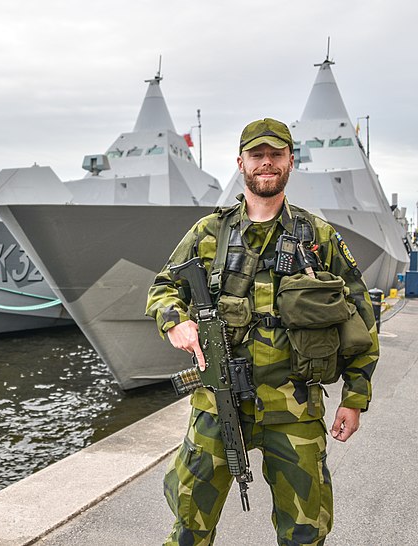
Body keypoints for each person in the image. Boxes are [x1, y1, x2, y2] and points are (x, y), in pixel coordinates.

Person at [146, 118, 378, 546]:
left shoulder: (317, 236)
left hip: (294, 406)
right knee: (189, 525)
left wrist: (355, 397)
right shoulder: (209, 233)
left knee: (305, 531)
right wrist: (176, 322)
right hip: (217, 403)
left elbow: (361, 316)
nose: (266, 163)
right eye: (257, 155)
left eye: (276, 154)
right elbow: (163, 287)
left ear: (291, 161)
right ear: (241, 163)